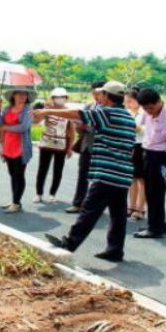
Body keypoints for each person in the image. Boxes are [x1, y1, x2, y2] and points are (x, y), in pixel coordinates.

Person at [39, 81, 136, 262]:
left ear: (107, 96)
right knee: (117, 215)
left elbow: (79, 114)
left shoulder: (107, 113)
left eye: (102, 94)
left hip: (107, 172)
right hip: (122, 173)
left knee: (89, 210)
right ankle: (115, 250)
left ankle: (69, 243)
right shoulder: (128, 117)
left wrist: (47, 111)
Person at [135, 88, 166, 239]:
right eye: (144, 108)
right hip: (148, 154)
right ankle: (156, 224)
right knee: (150, 192)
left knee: (156, 192)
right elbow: (140, 126)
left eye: (150, 108)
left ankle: (155, 228)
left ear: (159, 102)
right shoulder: (147, 113)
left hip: (161, 157)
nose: (148, 111)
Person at [66, 81, 105, 213]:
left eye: (98, 94)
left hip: (101, 147)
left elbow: (103, 128)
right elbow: (80, 123)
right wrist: (79, 127)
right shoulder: (88, 106)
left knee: (99, 178)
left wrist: (87, 127)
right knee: (82, 175)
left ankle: (94, 206)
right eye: (93, 93)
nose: (95, 96)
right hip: (86, 145)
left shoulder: (108, 109)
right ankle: (78, 203)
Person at [34, 88, 76, 203]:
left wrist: (70, 147)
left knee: (58, 170)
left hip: (61, 144)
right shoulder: (47, 110)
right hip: (46, 143)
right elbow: (36, 122)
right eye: (57, 97)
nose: (60, 99)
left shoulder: (69, 112)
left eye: (62, 97)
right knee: (42, 169)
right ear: (52, 98)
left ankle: (52, 194)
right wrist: (43, 110)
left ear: (66, 98)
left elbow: (72, 131)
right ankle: (39, 193)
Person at [0, 89, 34, 213]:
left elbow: (24, 127)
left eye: (24, 94)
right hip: (8, 145)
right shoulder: (7, 108)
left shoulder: (28, 110)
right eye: (19, 94)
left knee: (19, 174)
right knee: (12, 174)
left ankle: (17, 203)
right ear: (13, 96)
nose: (22, 96)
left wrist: (6, 127)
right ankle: (14, 200)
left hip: (21, 147)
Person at [125, 89, 147, 220]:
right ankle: (131, 206)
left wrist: (132, 126)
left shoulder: (144, 113)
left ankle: (140, 208)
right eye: (126, 101)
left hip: (141, 146)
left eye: (130, 101)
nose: (128, 104)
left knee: (141, 179)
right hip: (130, 145)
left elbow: (144, 130)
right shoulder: (128, 113)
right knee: (131, 178)